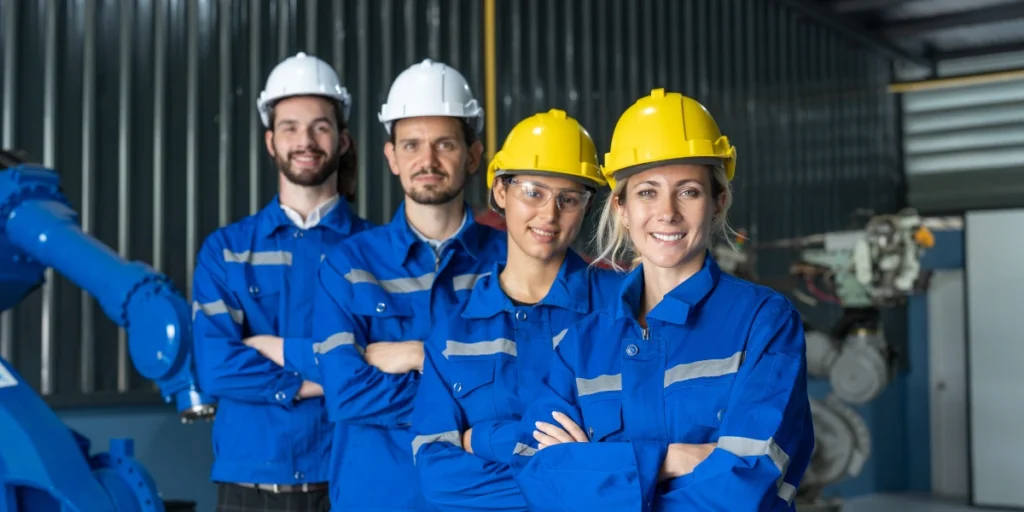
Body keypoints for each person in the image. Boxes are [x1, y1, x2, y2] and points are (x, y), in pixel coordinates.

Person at [509, 89, 815, 511]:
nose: (667, 212)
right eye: (647, 192)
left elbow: (746, 485)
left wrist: (597, 468)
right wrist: (670, 460)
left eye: (688, 191)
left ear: (718, 202)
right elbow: (539, 477)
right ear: (621, 207)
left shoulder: (764, 323)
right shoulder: (578, 345)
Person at [310, 59, 508, 511]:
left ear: (473, 156)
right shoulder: (347, 265)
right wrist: (470, 394)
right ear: (392, 157)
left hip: (481, 499)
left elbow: (527, 388)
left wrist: (421, 356)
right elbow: (344, 394)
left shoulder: (511, 262)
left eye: (445, 144)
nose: (428, 161)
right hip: (378, 497)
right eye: (412, 145)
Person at [409, 109, 624, 511]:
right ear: (500, 192)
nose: (549, 214)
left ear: (587, 205)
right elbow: (438, 477)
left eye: (569, 198)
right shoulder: (456, 329)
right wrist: (573, 482)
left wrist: (482, 438)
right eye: (534, 192)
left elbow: (641, 451)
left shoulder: (622, 308)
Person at [192, 52, 372, 512]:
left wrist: (268, 346)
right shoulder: (227, 250)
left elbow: (399, 364)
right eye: (290, 127)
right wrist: (337, 375)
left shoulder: (379, 251)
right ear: (271, 142)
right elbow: (215, 367)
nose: (305, 140)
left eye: (320, 126)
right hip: (248, 489)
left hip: (350, 481)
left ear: (343, 140)